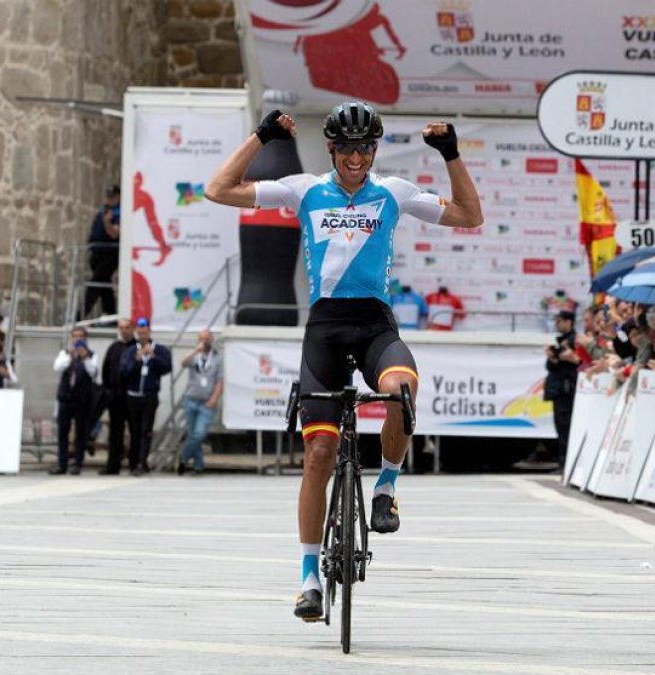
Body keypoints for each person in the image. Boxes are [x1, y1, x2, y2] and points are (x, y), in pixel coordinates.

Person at [204, 101, 482, 620]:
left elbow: (470, 215)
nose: (357, 157)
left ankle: (386, 488)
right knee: (319, 455)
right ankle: (308, 576)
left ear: (375, 150)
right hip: (325, 329)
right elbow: (217, 189)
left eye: (366, 148)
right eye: (348, 148)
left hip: (376, 323)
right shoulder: (303, 189)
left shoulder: (393, 193)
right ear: (331, 148)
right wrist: (260, 138)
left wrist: (451, 154)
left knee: (402, 389)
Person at [119, 317, 172, 476]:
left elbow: (167, 368)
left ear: (149, 331)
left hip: (149, 395)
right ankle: (134, 462)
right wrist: (136, 360)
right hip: (133, 396)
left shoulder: (160, 349)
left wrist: (153, 357)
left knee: (146, 430)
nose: (142, 334)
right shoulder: (130, 351)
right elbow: (124, 372)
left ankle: (143, 462)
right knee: (134, 430)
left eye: (145, 332)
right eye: (139, 332)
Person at [51, 328, 100, 475]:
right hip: (65, 398)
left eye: (81, 337)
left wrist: (84, 358)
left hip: (82, 399)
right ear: (71, 338)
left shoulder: (92, 355)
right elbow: (57, 367)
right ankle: (62, 463)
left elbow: (93, 372)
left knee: (80, 432)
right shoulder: (65, 353)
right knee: (63, 432)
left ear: (86, 339)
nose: (78, 339)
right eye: (75, 336)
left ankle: (77, 462)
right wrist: (70, 356)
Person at [179, 330, 223, 475]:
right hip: (191, 399)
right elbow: (183, 362)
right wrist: (194, 351)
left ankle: (183, 458)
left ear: (211, 340)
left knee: (199, 433)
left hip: (206, 402)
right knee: (192, 433)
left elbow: (219, 381)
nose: (204, 341)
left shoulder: (217, 358)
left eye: (207, 339)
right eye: (202, 339)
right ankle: (198, 465)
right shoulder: (195, 355)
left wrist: (214, 399)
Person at [541, 310, 579, 468]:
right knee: (560, 425)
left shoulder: (574, 340)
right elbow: (551, 365)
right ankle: (563, 460)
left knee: (565, 425)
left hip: (566, 389)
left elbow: (574, 363)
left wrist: (563, 357)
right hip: (559, 388)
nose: (557, 324)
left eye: (559, 321)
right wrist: (553, 357)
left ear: (568, 322)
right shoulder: (561, 341)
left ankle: (566, 462)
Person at [99, 318, 137, 475]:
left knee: (136, 431)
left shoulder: (142, 345)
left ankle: (136, 465)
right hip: (116, 397)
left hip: (135, 397)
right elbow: (105, 371)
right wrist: (108, 391)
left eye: (127, 327)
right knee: (115, 433)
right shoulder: (114, 347)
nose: (124, 331)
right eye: (121, 328)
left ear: (133, 328)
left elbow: (150, 368)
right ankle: (112, 466)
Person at [83, 184, 121, 319]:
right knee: (104, 286)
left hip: (109, 254)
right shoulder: (104, 210)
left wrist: (106, 221)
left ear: (118, 197)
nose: (109, 200)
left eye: (113, 197)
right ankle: (110, 314)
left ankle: (79, 315)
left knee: (94, 285)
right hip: (97, 253)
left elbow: (114, 234)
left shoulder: (119, 212)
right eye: (108, 197)